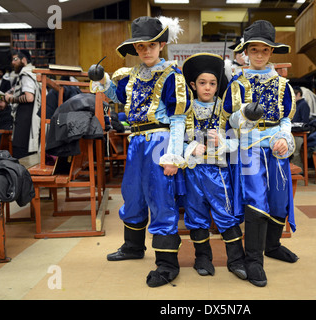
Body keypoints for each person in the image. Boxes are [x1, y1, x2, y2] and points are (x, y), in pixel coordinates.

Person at [91, 16, 190, 287]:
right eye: (141, 46)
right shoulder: (130, 75)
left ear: (161, 45)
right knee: (132, 194)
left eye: (152, 45)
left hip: (160, 139)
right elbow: (116, 96)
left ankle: (167, 263)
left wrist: (174, 155)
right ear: (135, 48)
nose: (146, 50)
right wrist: (102, 79)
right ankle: (133, 247)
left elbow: (178, 118)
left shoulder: (172, 75)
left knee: (160, 198)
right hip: (135, 141)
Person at [222, 20, 298, 287]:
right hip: (248, 148)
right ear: (245, 51)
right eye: (253, 49)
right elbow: (227, 120)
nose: (259, 54)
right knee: (256, 199)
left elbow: (287, 119)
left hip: (276, 148)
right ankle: (254, 260)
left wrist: (284, 137)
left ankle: (273, 245)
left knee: (278, 200)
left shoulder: (283, 84)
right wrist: (242, 115)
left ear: (271, 52)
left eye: (264, 50)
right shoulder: (236, 83)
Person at [181, 53, 246, 280]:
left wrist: (223, 142)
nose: (207, 88)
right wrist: (190, 148)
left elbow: (238, 140)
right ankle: (202, 258)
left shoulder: (225, 111)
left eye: (212, 83)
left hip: (218, 172)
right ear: (193, 84)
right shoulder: (185, 109)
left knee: (225, 214)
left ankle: (237, 259)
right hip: (192, 172)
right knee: (196, 215)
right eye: (202, 83)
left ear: (218, 85)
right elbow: (176, 138)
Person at [3, 50, 40, 159]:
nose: (13, 63)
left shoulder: (25, 74)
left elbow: (29, 97)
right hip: (32, 119)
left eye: (15, 59)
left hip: (25, 121)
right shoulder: (34, 72)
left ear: (23, 60)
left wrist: (11, 99)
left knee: (20, 153)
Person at [291, 86, 310, 172]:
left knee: (295, 152)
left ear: (298, 94)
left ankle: (298, 171)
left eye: (293, 95)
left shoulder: (304, 105)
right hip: (294, 132)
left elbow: (305, 122)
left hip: (300, 134)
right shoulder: (297, 104)